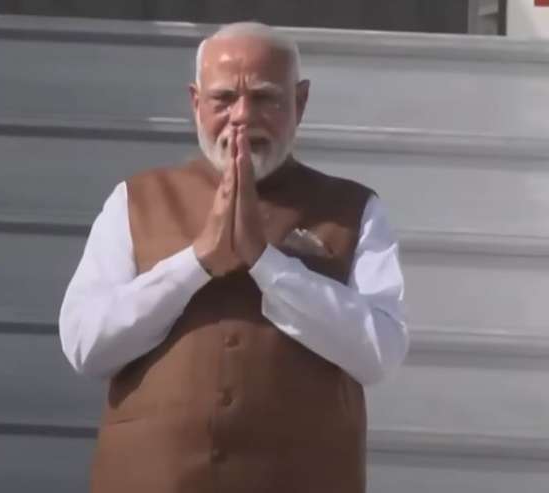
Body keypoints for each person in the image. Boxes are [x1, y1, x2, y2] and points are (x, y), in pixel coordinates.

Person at [59, 21, 408, 493]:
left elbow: (380, 353)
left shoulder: (353, 208)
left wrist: (267, 264)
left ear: (300, 102)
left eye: (265, 98)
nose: (242, 116)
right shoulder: (135, 200)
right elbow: (86, 347)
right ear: (195, 103)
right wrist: (195, 262)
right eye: (223, 98)